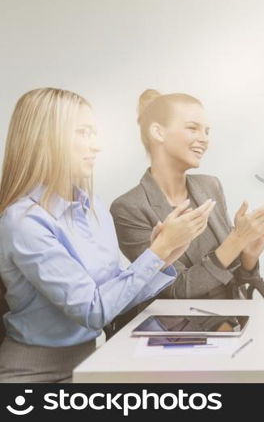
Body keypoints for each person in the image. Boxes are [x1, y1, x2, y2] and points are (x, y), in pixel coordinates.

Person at [0, 88, 212, 382]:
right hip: (32, 373)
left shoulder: (94, 208)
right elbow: (92, 310)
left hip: (91, 362)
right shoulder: (23, 221)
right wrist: (156, 252)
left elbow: (113, 297)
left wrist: (163, 258)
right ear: (47, 139)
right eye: (84, 133)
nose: (97, 145)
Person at [111, 90, 264, 310]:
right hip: (181, 331)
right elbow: (176, 289)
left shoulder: (210, 186)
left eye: (207, 131)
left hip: (235, 318)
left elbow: (233, 276)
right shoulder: (129, 208)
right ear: (158, 133)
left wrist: (248, 254)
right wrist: (236, 240)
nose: (204, 139)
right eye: (193, 128)